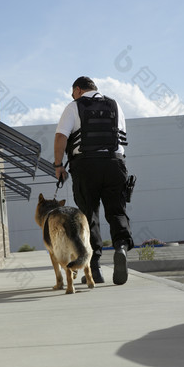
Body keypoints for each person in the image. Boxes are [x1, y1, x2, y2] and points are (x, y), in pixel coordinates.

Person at [53, 76, 134, 285]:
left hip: (86, 166)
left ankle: (94, 268)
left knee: (88, 217)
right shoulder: (115, 105)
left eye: (73, 93)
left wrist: (58, 165)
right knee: (117, 211)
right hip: (115, 164)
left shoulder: (73, 107)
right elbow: (120, 138)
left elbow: (61, 136)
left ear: (78, 90)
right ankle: (121, 247)